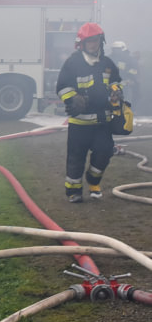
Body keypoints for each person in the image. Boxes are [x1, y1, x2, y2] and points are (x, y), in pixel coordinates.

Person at [56, 22, 122, 203]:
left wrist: (116, 90)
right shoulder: (73, 62)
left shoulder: (107, 63)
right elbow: (62, 87)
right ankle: (74, 192)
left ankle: (93, 181)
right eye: (90, 41)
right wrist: (72, 98)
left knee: (105, 152)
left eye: (97, 40)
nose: (94, 44)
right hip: (80, 124)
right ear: (82, 44)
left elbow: (116, 81)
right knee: (76, 158)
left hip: (103, 122)